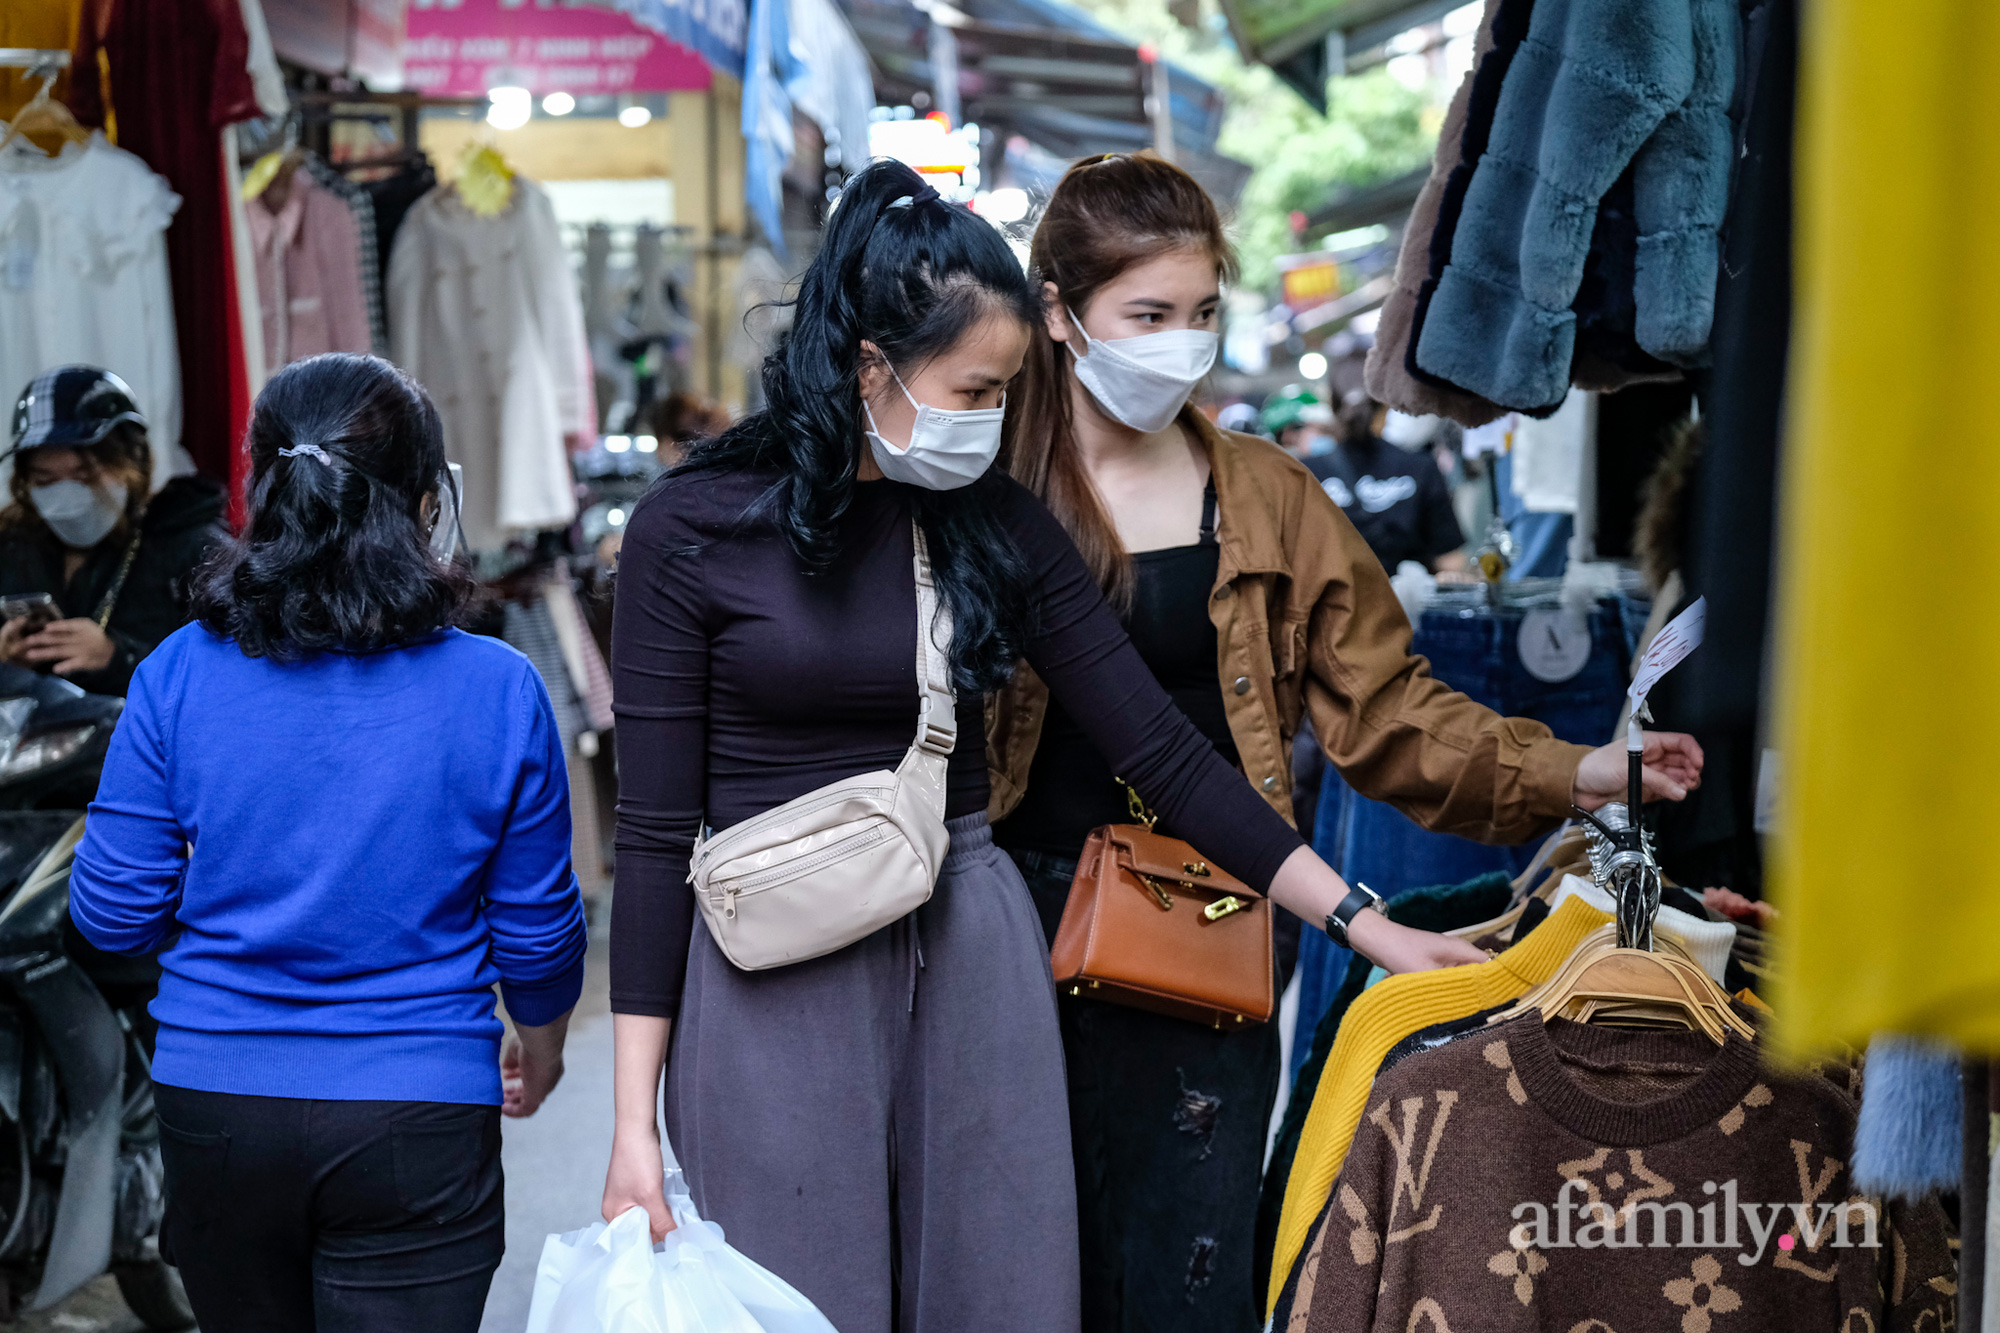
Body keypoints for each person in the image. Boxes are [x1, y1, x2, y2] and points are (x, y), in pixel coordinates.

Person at [597, 160, 1494, 1333]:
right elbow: (655, 831)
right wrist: (629, 1126)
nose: (989, 420)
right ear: (872, 366)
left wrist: (1363, 924)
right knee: (797, 1300)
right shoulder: (690, 531)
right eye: (972, 389)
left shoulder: (993, 524)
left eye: (1005, 389)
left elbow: (1165, 753)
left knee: (1000, 1294)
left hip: (964, 949)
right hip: (775, 968)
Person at [990, 150, 1704, 1333]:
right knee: (1021, 1274)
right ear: (1060, 316)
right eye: (1147, 315)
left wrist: (1572, 770)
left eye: (1202, 311)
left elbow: (1388, 711)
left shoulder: (1269, 496)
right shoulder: (993, 483)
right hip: (1010, 934)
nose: (1180, 342)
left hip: (1213, 922)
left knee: (1193, 1270)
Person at [68, 354, 588, 1333]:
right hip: (418, 1110)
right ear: (429, 503)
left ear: (260, 489)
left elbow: (110, 915)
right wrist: (545, 1044)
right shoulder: (497, 686)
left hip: (216, 1101)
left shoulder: (177, 673)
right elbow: (538, 928)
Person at [0, 367, 226, 695]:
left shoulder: (194, 550)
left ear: (132, 464)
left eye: (85, 475)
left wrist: (118, 658)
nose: (65, 497)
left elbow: (226, 679)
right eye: (45, 480)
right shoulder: (12, 547)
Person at [1307, 390, 1469, 574]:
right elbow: (1450, 562)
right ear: (1386, 407)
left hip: (1334, 598)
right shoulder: (1420, 466)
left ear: (1332, 406)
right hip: (1408, 598)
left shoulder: (1305, 473)